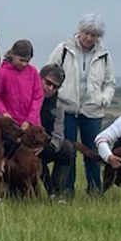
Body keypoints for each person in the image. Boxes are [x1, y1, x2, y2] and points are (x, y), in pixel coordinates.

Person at [46, 13, 115, 196]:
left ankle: (94, 189)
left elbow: (110, 82)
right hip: (66, 107)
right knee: (68, 150)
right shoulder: (63, 50)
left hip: (92, 110)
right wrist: (56, 94)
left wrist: (104, 99)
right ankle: (66, 189)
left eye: (94, 35)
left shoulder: (104, 56)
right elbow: (48, 73)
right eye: (86, 33)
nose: (89, 38)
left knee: (92, 151)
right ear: (79, 31)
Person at [36, 64, 73, 197]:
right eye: (48, 83)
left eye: (55, 86)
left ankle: (57, 192)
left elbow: (58, 134)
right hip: (25, 145)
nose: (50, 88)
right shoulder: (26, 95)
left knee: (67, 148)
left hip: (46, 144)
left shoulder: (58, 105)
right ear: (40, 78)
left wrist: (48, 147)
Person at [0, 39, 45, 128]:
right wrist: (3, 113)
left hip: (30, 124)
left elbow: (38, 97)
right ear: (13, 55)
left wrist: (30, 120)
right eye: (21, 60)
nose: (24, 64)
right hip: (10, 124)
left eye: (27, 61)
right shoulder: (2, 73)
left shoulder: (33, 72)